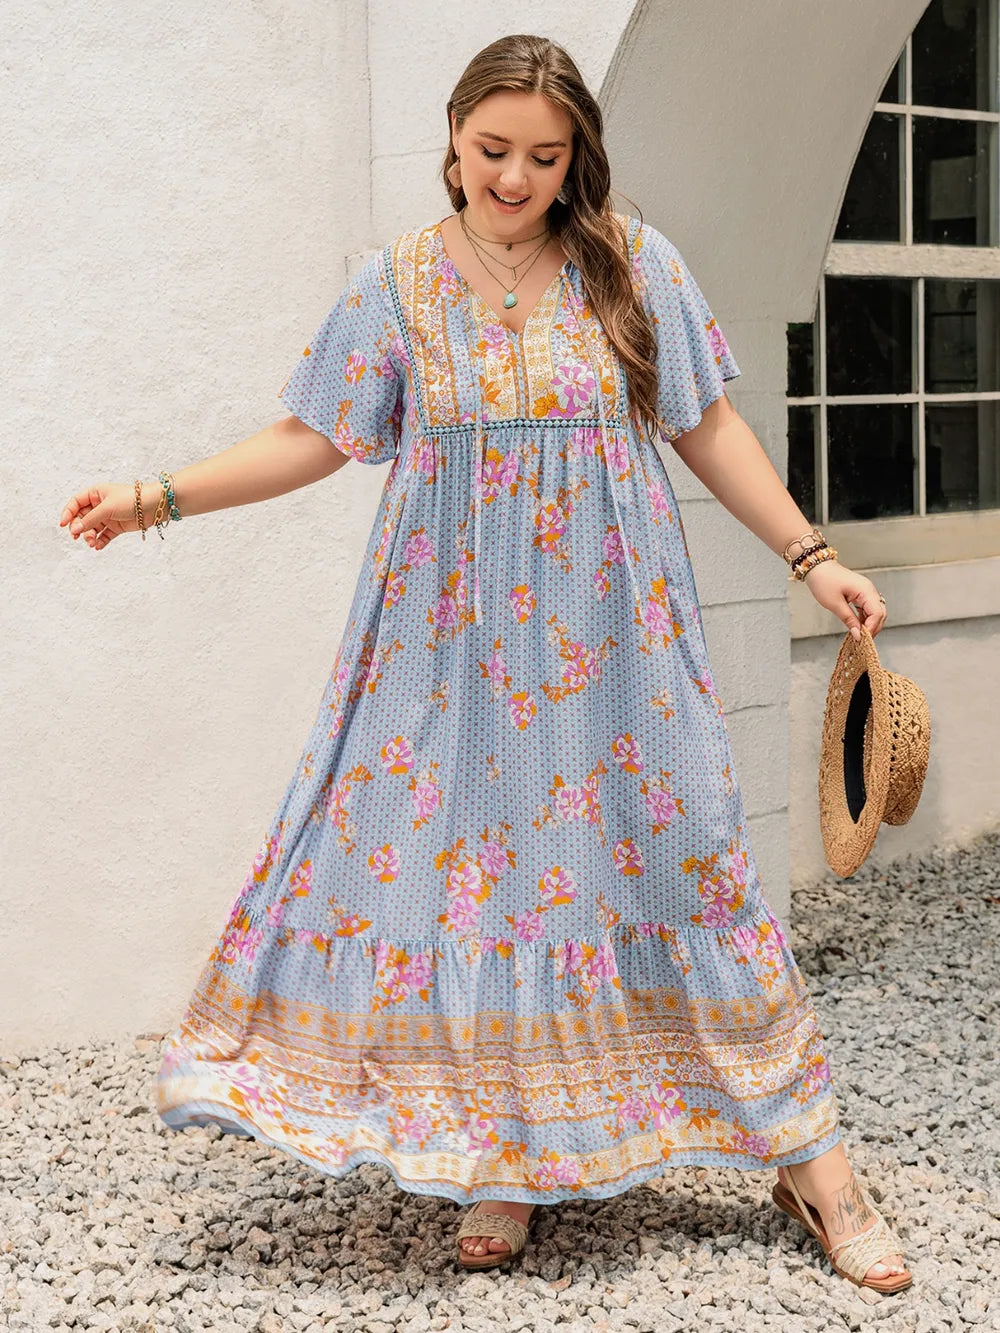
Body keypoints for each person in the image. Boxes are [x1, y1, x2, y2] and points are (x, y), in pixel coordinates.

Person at [58, 33, 910, 1293]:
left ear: (576, 160)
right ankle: (505, 1156)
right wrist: (155, 497)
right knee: (486, 890)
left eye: (545, 157)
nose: (514, 178)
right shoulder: (397, 286)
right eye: (492, 149)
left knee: (692, 863)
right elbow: (313, 437)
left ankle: (814, 1166)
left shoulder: (631, 263)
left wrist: (810, 554)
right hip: (448, 653)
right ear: (452, 141)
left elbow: (707, 422)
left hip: (616, 643)